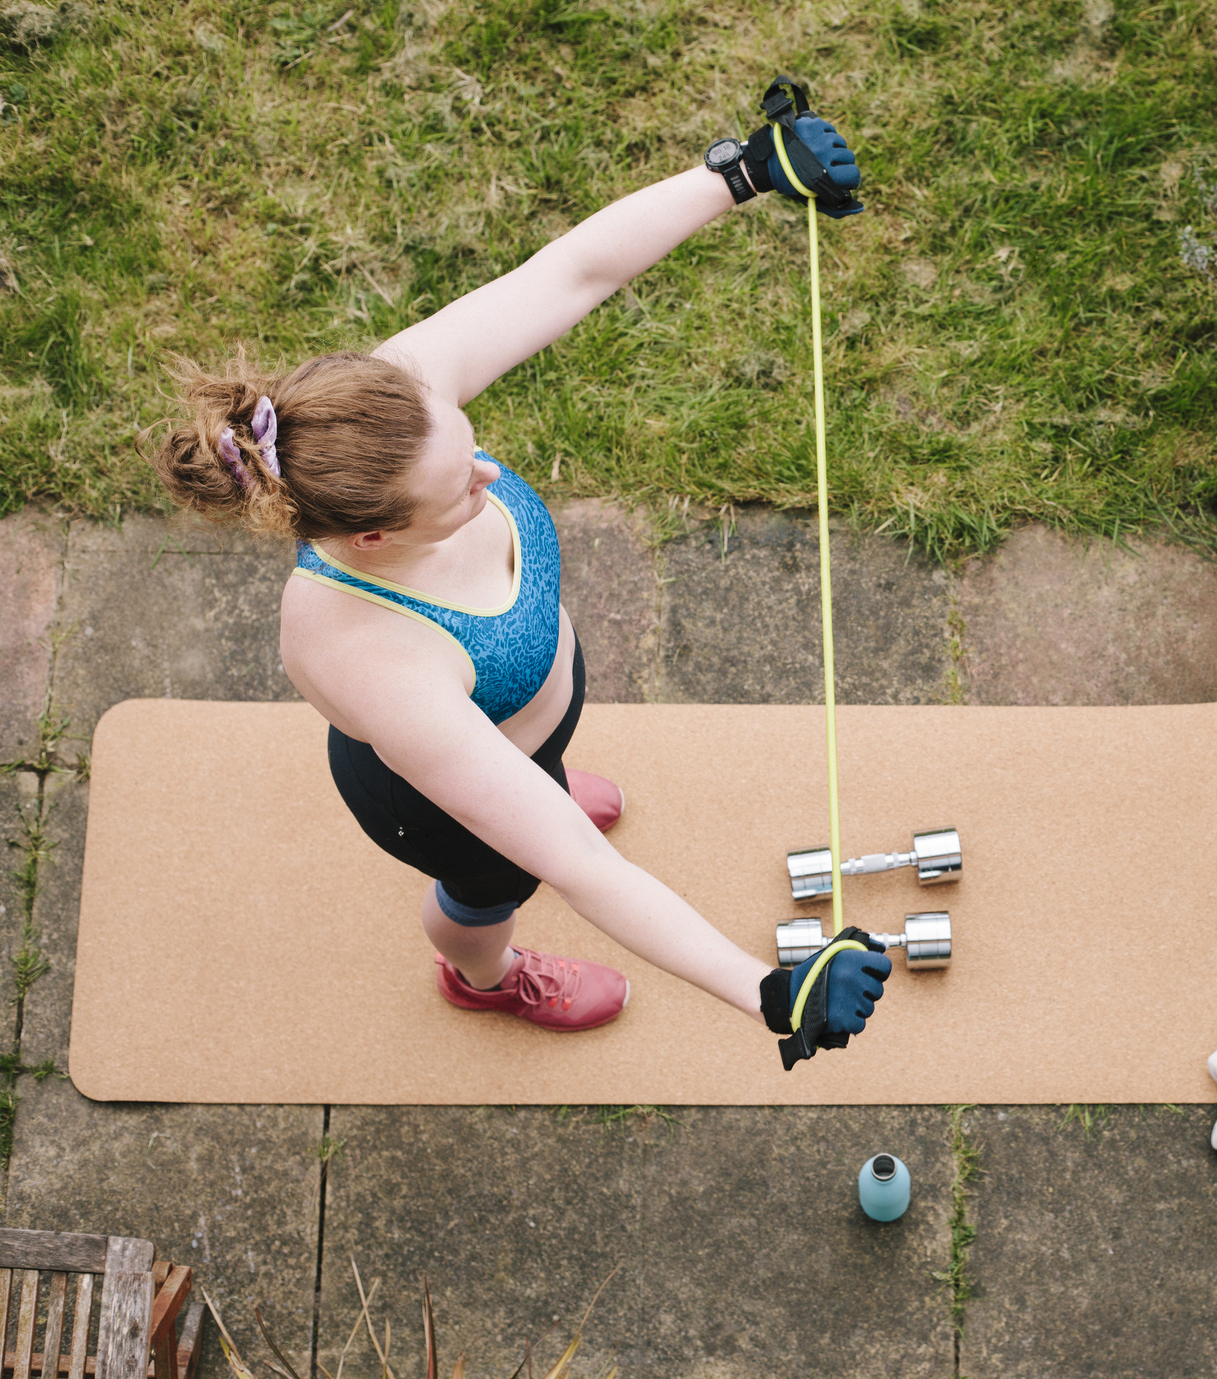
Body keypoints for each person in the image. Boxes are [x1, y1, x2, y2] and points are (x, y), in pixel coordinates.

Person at [150, 84, 891, 1068]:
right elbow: (582, 863)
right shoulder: (368, 655)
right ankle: (482, 978)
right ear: (372, 540)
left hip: (521, 723)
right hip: (441, 795)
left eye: (468, 446)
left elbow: (573, 271)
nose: (487, 477)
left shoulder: (394, 403)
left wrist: (743, 171)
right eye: (459, 486)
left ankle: (537, 774)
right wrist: (767, 992)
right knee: (494, 883)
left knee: (540, 792)